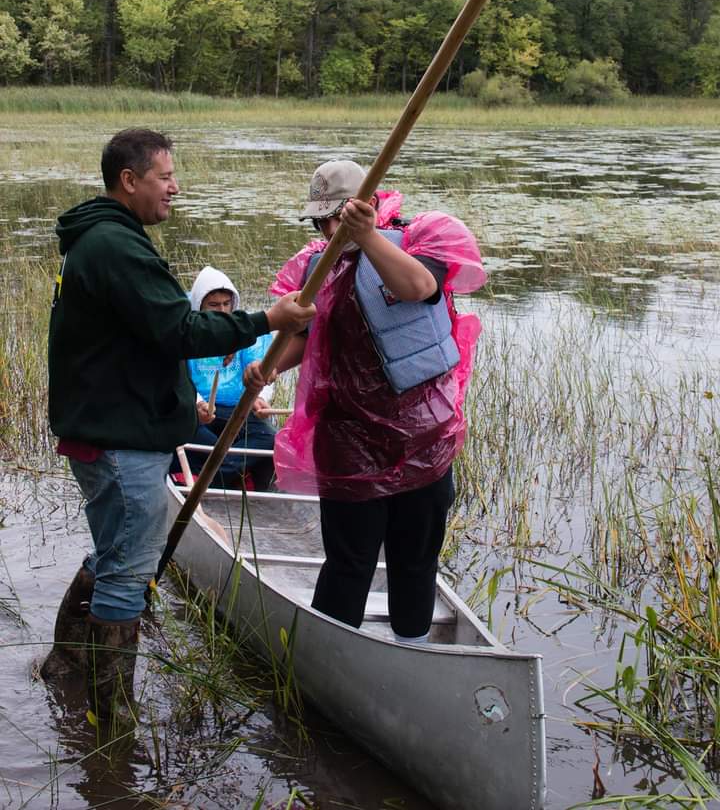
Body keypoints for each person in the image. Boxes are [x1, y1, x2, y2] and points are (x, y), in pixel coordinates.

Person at [41, 128, 314, 723]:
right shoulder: (115, 246)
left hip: (105, 429)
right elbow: (182, 331)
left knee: (113, 554)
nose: (175, 187)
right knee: (128, 575)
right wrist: (268, 318)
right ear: (129, 180)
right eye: (165, 176)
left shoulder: (101, 238)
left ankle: (63, 667)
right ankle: (111, 722)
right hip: (122, 438)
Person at [245, 159, 485, 645]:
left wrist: (368, 236)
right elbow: (303, 338)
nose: (332, 230)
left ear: (370, 205)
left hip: (422, 439)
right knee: (350, 561)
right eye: (324, 221)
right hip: (348, 441)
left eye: (342, 216)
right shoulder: (313, 269)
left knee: (414, 558)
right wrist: (268, 368)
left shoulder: (424, 239)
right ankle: (330, 655)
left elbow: (419, 288)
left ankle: (414, 652)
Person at [177, 265, 277, 490]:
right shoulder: (187, 332)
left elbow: (259, 364)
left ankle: (210, 479)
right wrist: (199, 404)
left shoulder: (244, 330)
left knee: (269, 440)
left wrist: (258, 394)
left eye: (226, 304)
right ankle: (234, 473)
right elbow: (178, 378)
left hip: (237, 410)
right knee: (184, 434)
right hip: (199, 413)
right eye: (213, 305)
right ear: (199, 305)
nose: (222, 311)